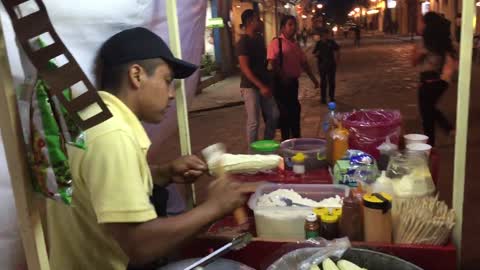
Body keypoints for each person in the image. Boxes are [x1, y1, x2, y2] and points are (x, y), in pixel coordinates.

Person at [46, 27, 255, 270]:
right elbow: (139, 245)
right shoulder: (113, 134)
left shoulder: (94, 117)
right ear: (137, 75)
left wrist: (163, 173)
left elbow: (101, 186)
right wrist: (215, 207)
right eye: (167, 81)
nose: (170, 95)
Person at [267, 15, 320, 140]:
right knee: (284, 114)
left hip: (293, 83)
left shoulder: (295, 45)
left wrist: (313, 79)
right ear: (282, 28)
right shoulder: (276, 42)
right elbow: (272, 62)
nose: (293, 27)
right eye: (290, 24)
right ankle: (286, 140)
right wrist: (283, 76)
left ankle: (296, 138)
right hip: (280, 84)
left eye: (294, 24)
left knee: (295, 111)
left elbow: (304, 63)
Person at [236, 9, 279, 148]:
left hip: (264, 83)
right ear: (250, 22)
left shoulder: (260, 38)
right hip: (250, 86)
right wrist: (261, 86)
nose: (260, 22)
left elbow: (262, 63)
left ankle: (266, 144)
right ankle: (252, 154)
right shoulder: (243, 42)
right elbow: (245, 68)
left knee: (274, 115)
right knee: (254, 121)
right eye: (257, 19)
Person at [412, 12, 455, 146]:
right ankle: (448, 129)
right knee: (430, 109)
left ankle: (430, 144)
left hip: (428, 81)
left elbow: (413, 61)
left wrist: (418, 52)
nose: (419, 24)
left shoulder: (424, 42)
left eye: (421, 22)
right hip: (442, 82)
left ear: (426, 25)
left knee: (427, 114)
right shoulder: (443, 41)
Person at [313, 28, 340, 104]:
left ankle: (332, 97)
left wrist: (337, 61)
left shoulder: (331, 42)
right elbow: (314, 53)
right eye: (324, 35)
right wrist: (317, 54)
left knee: (331, 82)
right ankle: (323, 98)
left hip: (331, 65)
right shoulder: (318, 43)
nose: (325, 36)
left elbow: (337, 49)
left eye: (326, 35)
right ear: (321, 36)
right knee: (323, 82)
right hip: (322, 65)